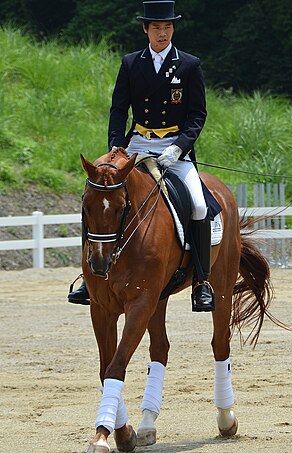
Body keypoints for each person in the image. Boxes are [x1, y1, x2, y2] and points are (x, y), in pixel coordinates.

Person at [68, 0, 214, 312]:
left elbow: (197, 115)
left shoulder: (189, 65)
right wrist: (115, 146)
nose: (163, 33)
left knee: (199, 204)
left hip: (174, 147)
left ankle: (201, 281)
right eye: (157, 27)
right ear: (146, 29)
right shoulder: (132, 63)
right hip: (135, 145)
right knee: (96, 194)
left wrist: (179, 148)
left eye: (168, 27)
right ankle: (87, 275)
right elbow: (119, 109)